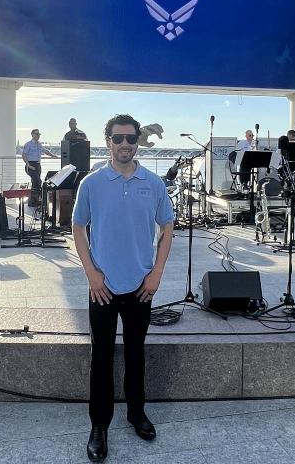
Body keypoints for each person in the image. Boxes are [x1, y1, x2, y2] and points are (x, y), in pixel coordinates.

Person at [71, 114, 175, 462]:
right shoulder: (91, 183)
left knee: (135, 353)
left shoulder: (154, 183)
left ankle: (136, 414)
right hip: (102, 287)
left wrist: (156, 274)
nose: (125, 144)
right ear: (108, 142)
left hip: (140, 286)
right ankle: (99, 426)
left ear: (137, 141)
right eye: (118, 138)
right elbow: (78, 229)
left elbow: (167, 229)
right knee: (100, 357)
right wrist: (92, 275)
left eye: (131, 138)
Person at [22, 129, 56, 205]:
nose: (38, 136)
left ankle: (34, 201)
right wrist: (28, 165)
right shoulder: (28, 144)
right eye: (36, 134)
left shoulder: (39, 144)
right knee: (38, 181)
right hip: (30, 165)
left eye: (39, 134)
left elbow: (45, 151)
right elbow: (24, 154)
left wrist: (53, 155)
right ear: (32, 134)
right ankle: (40, 199)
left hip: (38, 165)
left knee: (34, 182)